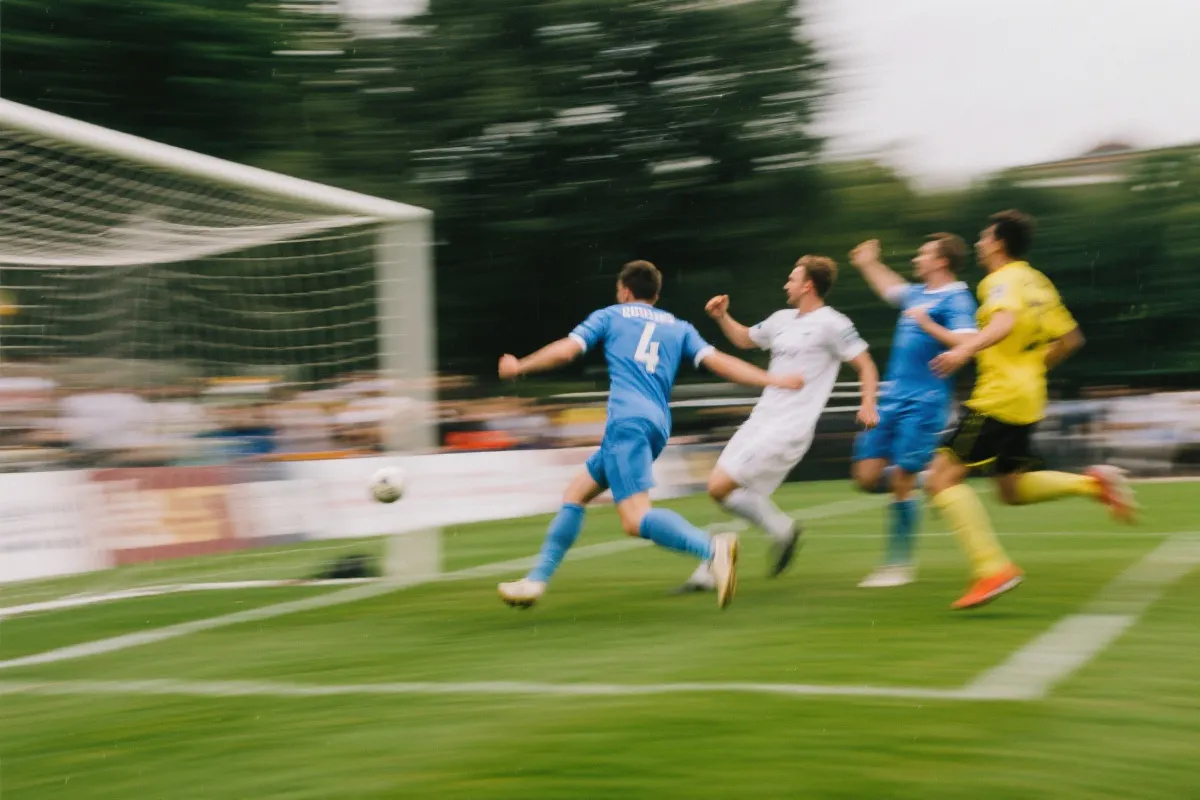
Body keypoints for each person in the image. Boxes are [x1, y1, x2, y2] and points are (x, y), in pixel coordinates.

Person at [496, 260, 806, 610]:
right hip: (656, 424)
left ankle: (711, 549)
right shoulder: (678, 326)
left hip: (626, 422)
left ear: (625, 291)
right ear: (655, 295)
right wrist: (772, 379)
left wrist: (521, 365)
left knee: (634, 518)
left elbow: (567, 350)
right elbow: (720, 361)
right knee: (576, 492)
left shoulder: (611, 315)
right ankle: (536, 581)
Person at [925, 209, 1136, 610]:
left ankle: (992, 569)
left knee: (941, 479)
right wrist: (1031, 368)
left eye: (985, 238)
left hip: (998, 397)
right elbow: (1071, 339)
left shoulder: (999, 281)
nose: (979, 244)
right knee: (1012, 489)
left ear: (1000, 244)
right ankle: (1093, 484)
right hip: (1029, 397)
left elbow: (1003, 323)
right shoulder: (1038, 282)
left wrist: (965, 349)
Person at [676, 255, 880, 593]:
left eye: (792, 278)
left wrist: (869, 403)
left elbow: (866, 364)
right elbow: (744, 339)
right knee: (723, 490)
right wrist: (722, 316)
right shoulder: (782, 319)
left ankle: (722, 562)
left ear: (808, 285)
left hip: (789, 428)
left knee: (722, 487)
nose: (786, 284)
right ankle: (770, 537)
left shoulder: (833, 323)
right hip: (760, 420)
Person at [847, 235, 978, 588]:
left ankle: (897, 565)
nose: (917, 259)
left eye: (924, 254)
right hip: (891, 397)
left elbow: (968, 343)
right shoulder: (917, 294)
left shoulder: (957, 298)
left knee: (900, 479)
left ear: (941, 262)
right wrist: (867, 264)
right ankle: (933, 474)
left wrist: (929, 325)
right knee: (865, 476)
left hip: (925, 400)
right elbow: (891, 287)